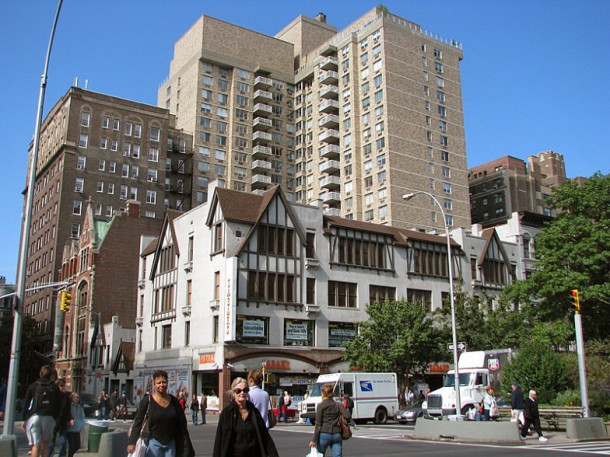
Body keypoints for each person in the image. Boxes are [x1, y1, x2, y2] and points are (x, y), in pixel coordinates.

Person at [127, 369, 195, 457]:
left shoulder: (174, 401)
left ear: (167, 383)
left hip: (171, 444)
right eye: (159, 383)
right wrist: (132, 442)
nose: (161, 385)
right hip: (153, 443)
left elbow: (182, 424)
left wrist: (186, 443)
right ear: (154, 384)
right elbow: (138, 421)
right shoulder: (148, 401)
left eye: (164, 382)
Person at [213, 377, 278, 457]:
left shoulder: (254, 412)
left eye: (245, 390)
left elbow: (265, 436)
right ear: (233, 393)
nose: (242, 393)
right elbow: (219, 439)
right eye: (238, 391)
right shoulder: (227, 413)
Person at [22, 365, 62, 457]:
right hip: (49, 417)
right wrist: (55, 417)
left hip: (35, 416)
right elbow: (59, 404)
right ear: (51, 375)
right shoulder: (54, 387)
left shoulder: (34, 386)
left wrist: (24, 418)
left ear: (40, 374)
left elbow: (26, 402)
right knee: (45, 444)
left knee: (36, 445)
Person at [309, 383, 350, 457]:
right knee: (338, 455)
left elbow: (318, 424)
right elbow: (347, 416)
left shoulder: (321, 406)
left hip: (324, 434)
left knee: (320, 454)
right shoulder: (338, 405)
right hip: (336, 434)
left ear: (324, 394)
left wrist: (314, 440)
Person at [48, 378, 72, 457]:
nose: (63, 387)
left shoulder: (66, 397)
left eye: (64, 386)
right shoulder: (53, 396)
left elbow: (68, 409)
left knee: (63, 441)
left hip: (63, 421)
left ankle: (62, 455)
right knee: (51, 442)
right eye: (61, 386)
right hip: (54, 421)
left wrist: (70, 419)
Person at [66, 393, 85, 457]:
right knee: (72, 446)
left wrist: (81, 424)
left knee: (77, 445)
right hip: (70, 429)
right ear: (71, 398)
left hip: (77, 429)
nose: (76, 399)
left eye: (77, 397)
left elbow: (83, 417)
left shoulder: (80, 407)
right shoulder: (69, 406)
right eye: (75, 397)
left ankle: (70, 455)